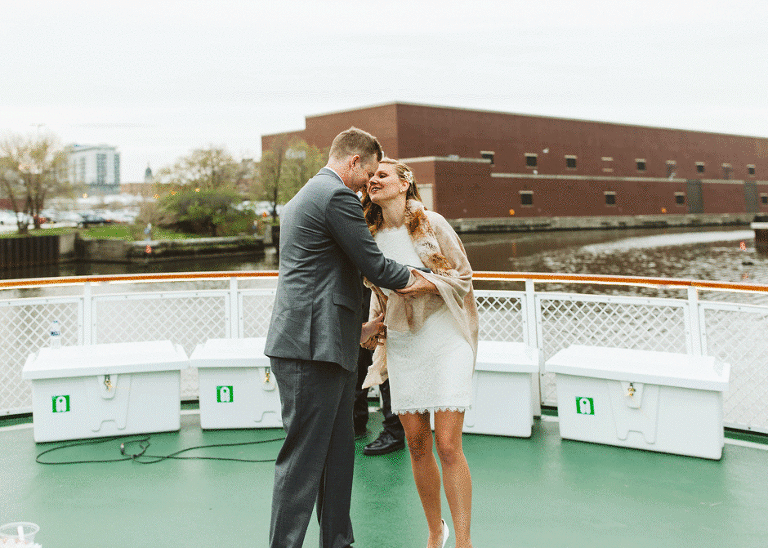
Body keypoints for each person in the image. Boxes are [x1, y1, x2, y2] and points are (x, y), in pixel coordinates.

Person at [264, 127, 431, 548]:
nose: (369, 183)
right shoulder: (335, 195)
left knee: (338, 455)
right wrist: (430, 280)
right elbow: (373, 264)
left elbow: (318, 279)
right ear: (354, 162)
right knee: (302, 461)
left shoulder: (307, 195)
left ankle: (337, 540)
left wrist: (361, 329)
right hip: (309, 351)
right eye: (368, 172)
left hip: (323, 343)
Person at [361, 158, 479, 548]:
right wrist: (372, 325)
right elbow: (377, 294)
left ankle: (463, 541)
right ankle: (434, 530)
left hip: (445, 337)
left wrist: (428, 285)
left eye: (382, 175)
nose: (373, 180)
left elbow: (463, 277)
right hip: (403, 341)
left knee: (447, 444)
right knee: (416, 443)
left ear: (404, 182)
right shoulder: (369, 235)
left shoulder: (433, 224)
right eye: (370, 176)